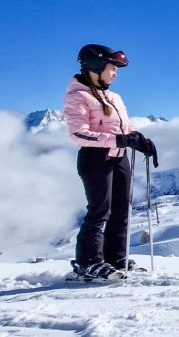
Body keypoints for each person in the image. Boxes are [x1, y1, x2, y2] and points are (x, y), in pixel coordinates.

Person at [63, 44, 158, 281]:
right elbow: (78, 134)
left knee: (121, 210)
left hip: (118, 157)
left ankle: (115, 257)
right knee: (99, 211)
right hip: (95, 158)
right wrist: (119, 139)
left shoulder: (113, 97)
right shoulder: (77, 96)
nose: (115, 73)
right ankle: (89, 262)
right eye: (112, 68)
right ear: (95, 66)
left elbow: (124, 128)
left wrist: (139, 140)